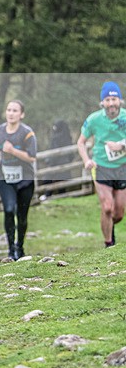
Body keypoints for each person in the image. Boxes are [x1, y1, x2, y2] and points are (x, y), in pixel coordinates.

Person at [76, 81, 126, 248]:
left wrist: (121, 146)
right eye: (107, 100)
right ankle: (109, 244)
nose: (111, 103)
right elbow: (81, 142)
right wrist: (86, 160)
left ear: (119, 100)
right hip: (101, 167)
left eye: (114, 99)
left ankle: (110, 227)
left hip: (122, 168)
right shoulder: (94, 119)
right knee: (107, 208)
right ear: (102, 102)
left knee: (118, 214)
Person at [0, 100, 37, 260]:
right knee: (9, 210)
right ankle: (11, 250)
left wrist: (13, 151)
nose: (11, 113)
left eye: (15, 111)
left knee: (22, 216)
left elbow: (32, 157)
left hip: (25, 180)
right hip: (5, 178)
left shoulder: (27, 133)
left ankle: (20, 247)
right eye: (9, 110)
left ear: (21, 114)